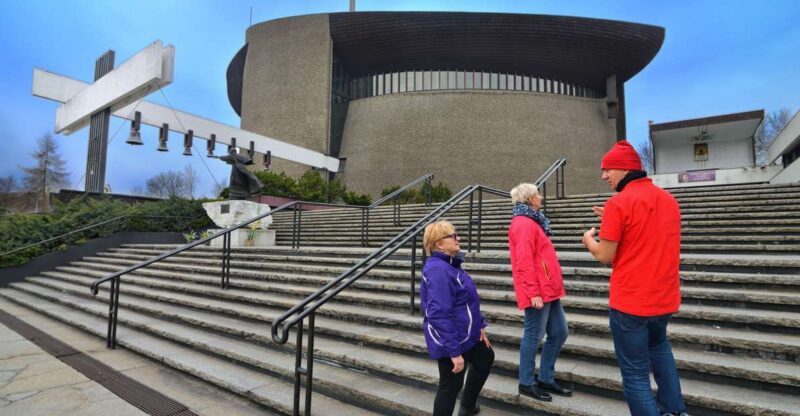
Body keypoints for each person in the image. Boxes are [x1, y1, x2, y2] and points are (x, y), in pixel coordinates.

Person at [582, 140, 687, 416]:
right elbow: (646, 234)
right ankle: (675, 411)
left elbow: (605, 255)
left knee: (635, 373)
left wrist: (589, 240)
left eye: (608, 170)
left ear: (626, 169)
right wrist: (614, 220)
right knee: (661, 352)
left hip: (630, 303)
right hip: (663, 299)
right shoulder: (668, 200)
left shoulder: (619, 203)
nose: (604, 176)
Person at [421, 220, 494, 416]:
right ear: (439, 244)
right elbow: (438, 314)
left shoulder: (451, 266)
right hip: (451, 338)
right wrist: (453, 352)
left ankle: (468, 406)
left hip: (466, 333)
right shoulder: (438, 269)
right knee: (450, 385)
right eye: (453, 235)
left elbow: (467, 302)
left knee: (485, 357)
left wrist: (479, 326)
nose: (458, 238)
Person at [508, 183, 571, 402]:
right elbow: (523, 261)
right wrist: (533, 292)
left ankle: (545, 377)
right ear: (529, 199)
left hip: (548, 289)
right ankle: (526, 382)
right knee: (533, 336)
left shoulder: (532, 221)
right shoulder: (524, 224)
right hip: (538, 292)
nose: (541, 197)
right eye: (538, 194)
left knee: (560, 332)